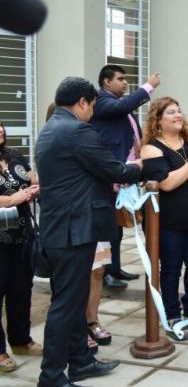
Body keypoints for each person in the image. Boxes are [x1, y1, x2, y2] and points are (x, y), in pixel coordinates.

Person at [35, 77, 141, 387]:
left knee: (73, 300)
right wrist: (144, 167)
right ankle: (51, 376)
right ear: (82, 102)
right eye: (92, 106)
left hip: (65, 228)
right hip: (72, 231)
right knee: (66, 305)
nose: (93, 112)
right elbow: (114, 169)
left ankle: (80, 362)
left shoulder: (52, 127)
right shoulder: (77, 130)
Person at [141, 97, 188, 341]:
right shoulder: (151, 148)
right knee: (172, 269)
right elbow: (167, 183)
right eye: (171, 112)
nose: (178, 115)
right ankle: (172, 316)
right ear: (158, 119)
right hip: (168, 223)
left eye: (179, 111)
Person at [90, 65, 159, 289]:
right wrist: (149, 86)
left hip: (125, 173)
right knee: (110, 225)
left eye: (125, 78)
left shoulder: (118, 105)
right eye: (120, 79)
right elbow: (122, 106)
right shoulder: (101, 100)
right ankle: (107, 271)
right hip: (111, 175)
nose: (125, 82)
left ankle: (116, 268)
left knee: (118, 225)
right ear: (106, 82)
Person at [0, 121, 41, 373]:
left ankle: (21, 340)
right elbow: (14, 195)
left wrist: (35, 188)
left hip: (21, 235)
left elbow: (30, 178)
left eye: (0, 125)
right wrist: (13, 199)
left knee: (21, 290)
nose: (0, 130)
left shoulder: (14, 156)